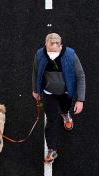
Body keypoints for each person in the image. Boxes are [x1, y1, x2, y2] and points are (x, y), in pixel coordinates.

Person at [32, 33, 86, 163]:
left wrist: (80, 99)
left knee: (65, 108)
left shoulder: (71, 55)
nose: (53, 54)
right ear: (46, 46)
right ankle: (52, 149)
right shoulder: (39, 54)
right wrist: (35, 90)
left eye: (55, 51)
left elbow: (80, 76)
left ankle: (65, 114)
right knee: (51, 120)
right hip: (48, 93)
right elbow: (35, 72)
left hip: (66, 92)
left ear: (61, 46)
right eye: (50, 51)